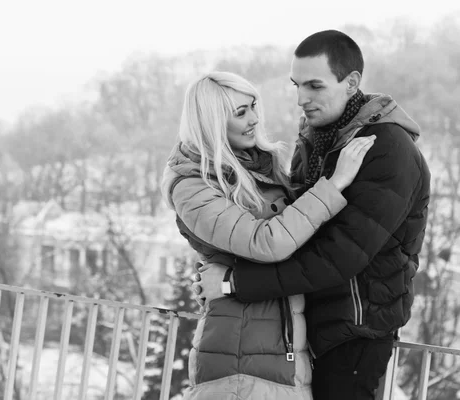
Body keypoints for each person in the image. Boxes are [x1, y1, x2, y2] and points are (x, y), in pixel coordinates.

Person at [193, 30, 431, 400]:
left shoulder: (386, 150)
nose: (301, 99)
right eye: (297, 85)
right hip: (307, 325)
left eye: (315, 86)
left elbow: (339, 256)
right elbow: (296, 227)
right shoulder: (319, 139)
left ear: (351, 82)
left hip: (355, 331)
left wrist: (234, 284)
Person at [161, 71, 375, 400]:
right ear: (212, 122)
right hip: (238, 357)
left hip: (282, 349)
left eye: (253, 106)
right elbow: (268, 242)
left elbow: (300, 235)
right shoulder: (192, 186)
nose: (254, 120)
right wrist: (334, 185)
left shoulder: (260, 166)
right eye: (240, 113)